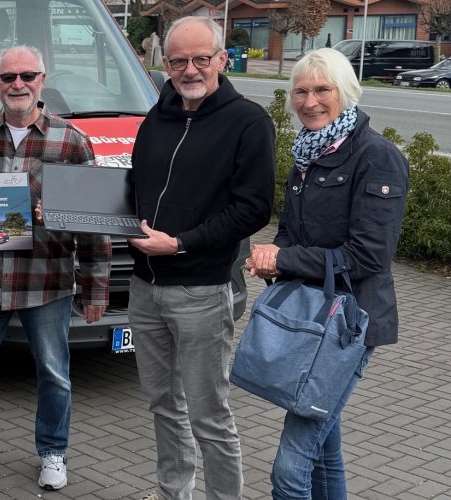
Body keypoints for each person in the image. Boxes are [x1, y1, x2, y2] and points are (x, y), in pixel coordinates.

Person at [0, 45, 112, 494]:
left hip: (46, 281)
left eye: (27, 75)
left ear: (42, 80)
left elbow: (96, 225)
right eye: (8, 77)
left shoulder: (71, 141)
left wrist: (95, 290)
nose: (18, 84)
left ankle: (52, 452)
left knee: (54, 374)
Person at [245, 47, 408, 500]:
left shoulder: (378, 157)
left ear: (346, 92)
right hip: (311, 317)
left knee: (289, 471)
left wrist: (286, 260)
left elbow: (369, 256)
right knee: (322, 451)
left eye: (322, 89)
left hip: (349, 324)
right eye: (301, 90)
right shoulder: (308, 152)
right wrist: (270, 255)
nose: (309, 100)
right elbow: (295, 234)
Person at [127, 16, 275, 500]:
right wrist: (77, 210)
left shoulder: (248, 122)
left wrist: (182, 242)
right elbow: (134, 188)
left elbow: (253, 208)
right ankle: (175, 492)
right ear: (165, 65)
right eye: (178, 61)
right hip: (145, 289)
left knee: (209, 415)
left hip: (201, 291)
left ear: (221, 60)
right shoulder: (157, 116)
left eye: (200, 59)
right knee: (162, 406)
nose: (189, 70)